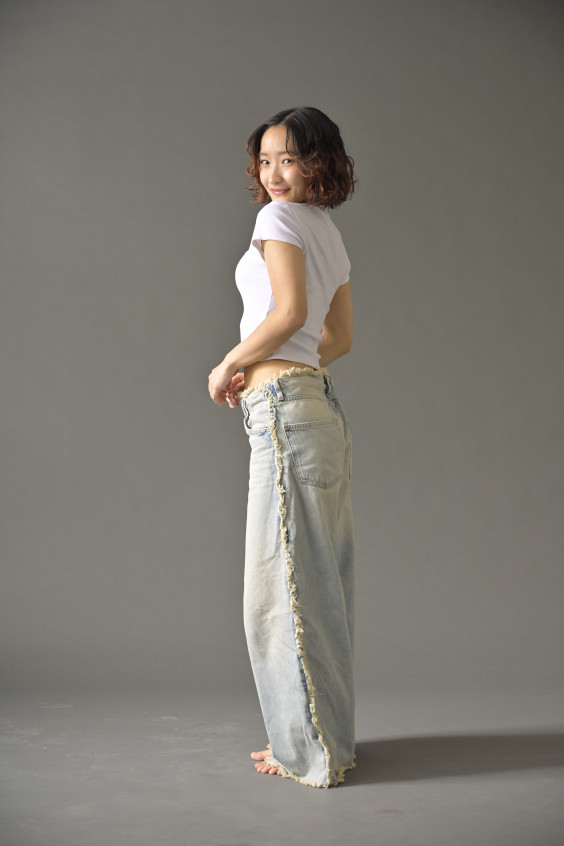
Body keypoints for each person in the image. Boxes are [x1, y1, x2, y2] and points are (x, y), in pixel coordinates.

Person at [208, 106, 357, 788]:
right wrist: (284, 363)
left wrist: (231, 362)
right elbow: (337, 338)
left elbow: (289, 313)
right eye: (265, 160)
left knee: (279, 586)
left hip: (284, 414)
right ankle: (326, 742)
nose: (273, 174)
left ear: (318, 162)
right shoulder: (327, 232)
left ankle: (305, 751)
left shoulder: (277, 221)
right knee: (321, 582)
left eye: (289, 159)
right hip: (317, 408)